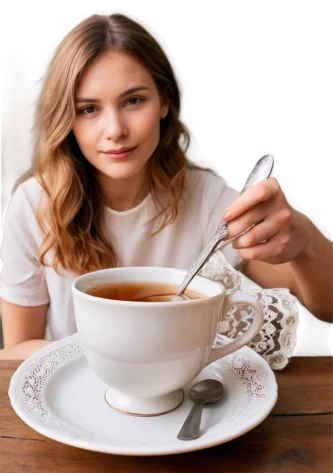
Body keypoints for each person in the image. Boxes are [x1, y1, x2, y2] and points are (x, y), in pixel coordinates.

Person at [0, 10, 332, 360]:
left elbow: (325, 310)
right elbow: (17, 349)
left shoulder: (212, 202)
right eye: (89, 109)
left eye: (133, 101)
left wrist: (306, 243)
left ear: (165, 101)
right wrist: (117, 365)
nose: (115, 130)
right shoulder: (35, 205)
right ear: (67, 119)